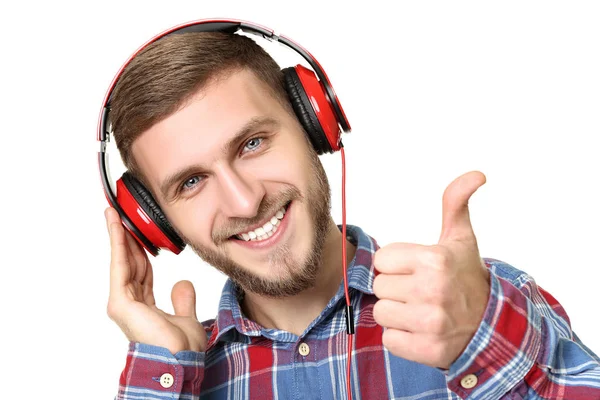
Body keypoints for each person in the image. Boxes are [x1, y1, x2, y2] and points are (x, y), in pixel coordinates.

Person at [101, 21, 600, 399]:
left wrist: (485, 343)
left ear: (314, 125)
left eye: (252, 143)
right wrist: (164, 378)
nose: (244, 201)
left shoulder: (478, 304)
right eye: (191, 182)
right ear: (155, 222)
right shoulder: (174, 373)